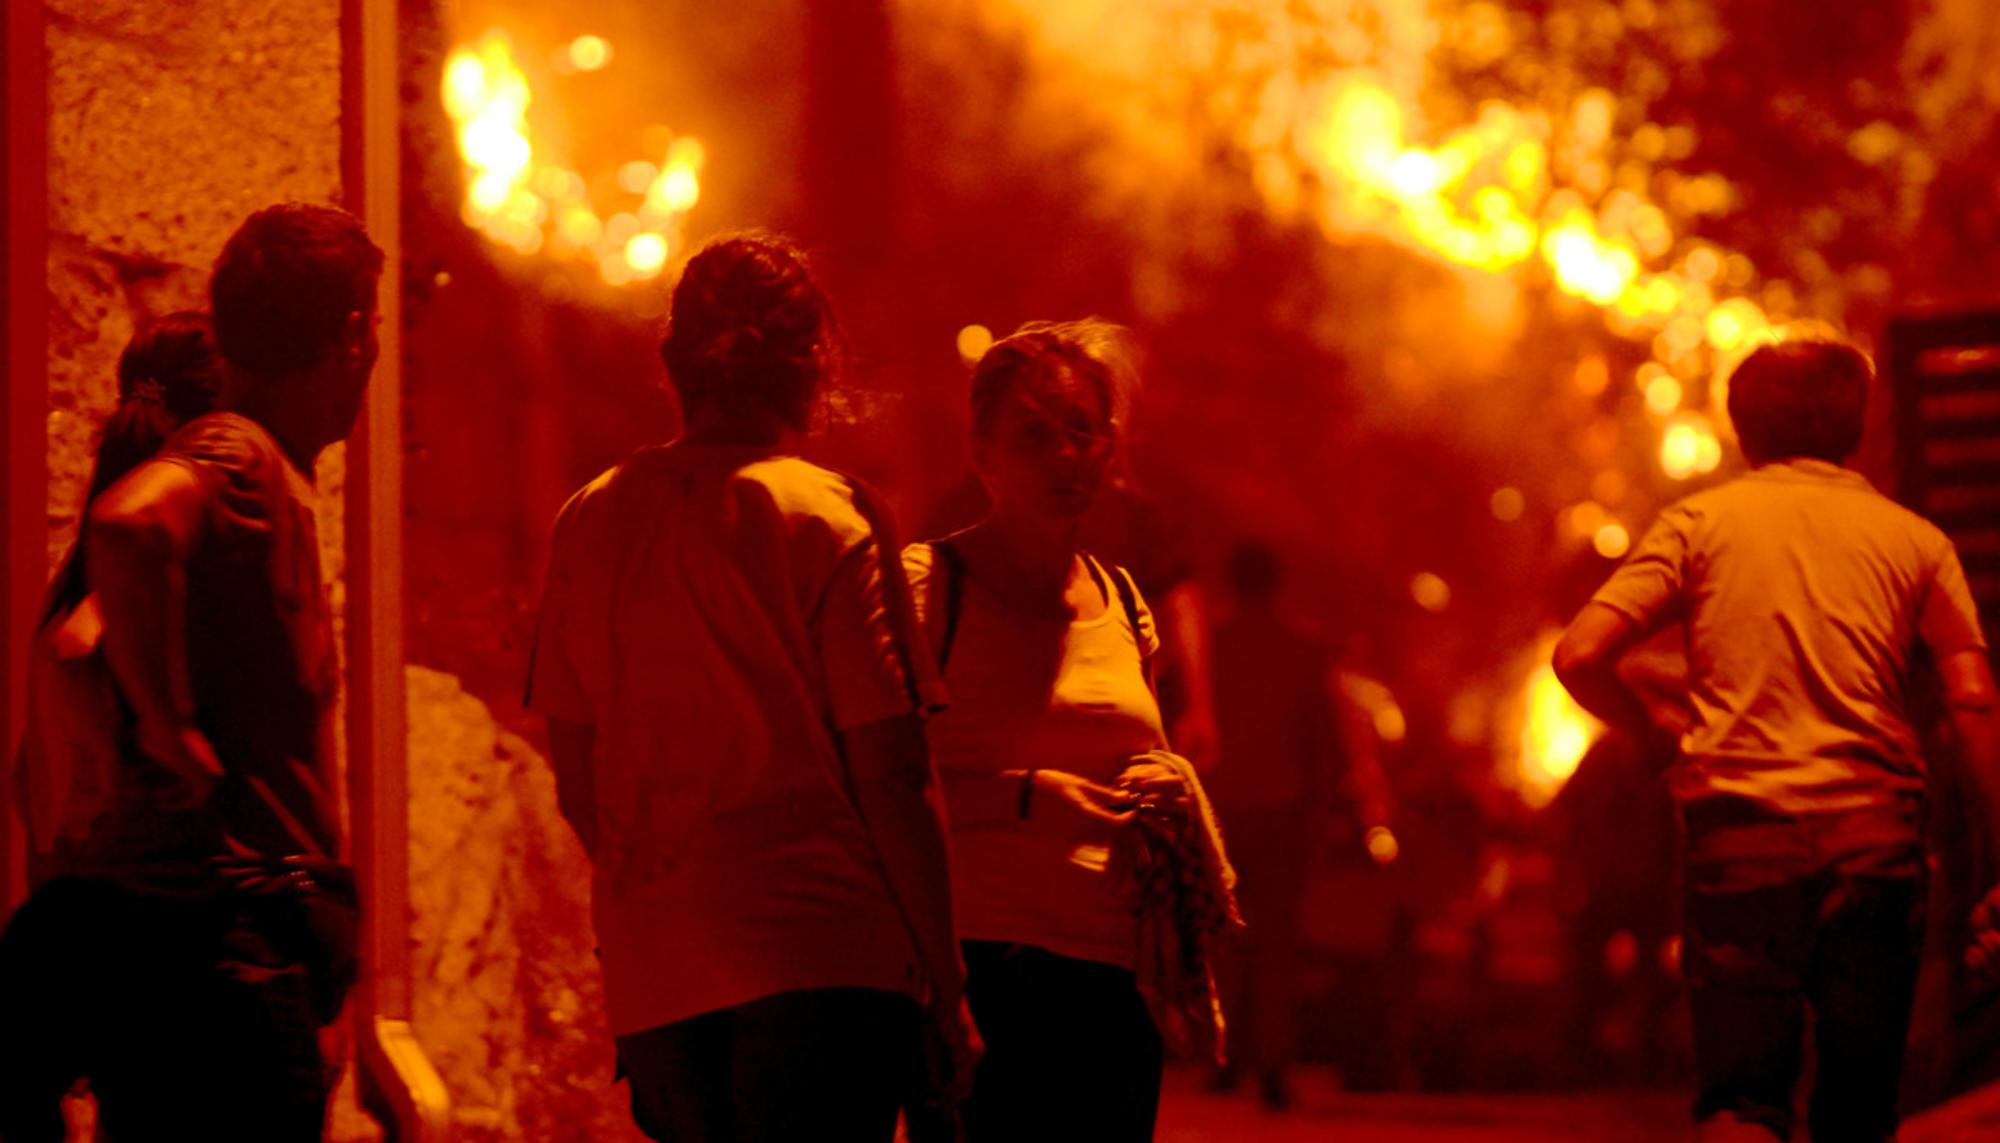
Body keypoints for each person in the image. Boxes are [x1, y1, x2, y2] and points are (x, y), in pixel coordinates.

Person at [525, 232, 975, 1143]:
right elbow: (891, 773)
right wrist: (948, 977)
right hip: (821, 958)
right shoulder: (828, 518)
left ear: (674, 363)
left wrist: (665, 885)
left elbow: (575, 770)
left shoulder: (590, 519)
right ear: (809, 364)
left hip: (660, 976)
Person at [0, 203, 383, 1143]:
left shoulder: (259, 469)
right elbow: (132, 522)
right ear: (350, 333)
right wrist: (169, 723)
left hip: (202, 965)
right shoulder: (238, 451)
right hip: (231, 976)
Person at [1554, 338, 2000, 1142]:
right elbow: (1972, 701)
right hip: (1876, 841)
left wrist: (1656, 734)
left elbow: (1580, 654)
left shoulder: (1698, 525)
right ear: (1856, 428)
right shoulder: (1916, 541)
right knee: (1859, 1104)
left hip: (1740, 837)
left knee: (1742, 1097)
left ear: (1743, 429)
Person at [904, 320, 1209, 1142]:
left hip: (1111, 975)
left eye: (1084, 434)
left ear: (1112, 452)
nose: (1065, 457)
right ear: (984, 453)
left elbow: (1144, 759)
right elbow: (880, 787)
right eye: (1034, 435)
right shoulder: (928, 590)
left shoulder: (1123, 601)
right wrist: (1030, 799)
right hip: (979, 966)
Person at [9, 311, 225, 885]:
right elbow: (77, 644)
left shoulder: (83, 556)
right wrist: (177, 738)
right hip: (131, 872)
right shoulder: (140, 549)